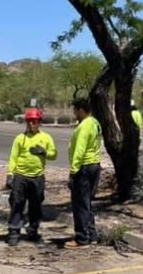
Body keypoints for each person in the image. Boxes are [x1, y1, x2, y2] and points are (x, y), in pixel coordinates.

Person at [5, 107, 57, 246]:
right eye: (29, 121)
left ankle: (33, 230)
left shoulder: (46, 138)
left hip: (37, 177)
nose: (31, 124)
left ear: (39, 122)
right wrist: (10, 174)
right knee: (17, 203)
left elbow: (54, 154)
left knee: (35, 205)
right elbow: (13, 157)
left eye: (34, 121)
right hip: (21, 176)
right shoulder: (20, 139)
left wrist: (44, 152)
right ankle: (14, 231)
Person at [65, 97, 102, 248]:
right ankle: (91, 234)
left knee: (79, 203)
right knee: (87, 202)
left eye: (75, 110)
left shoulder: (85, 126)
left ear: (81, 109)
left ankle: (81, 238)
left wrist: (73, 172)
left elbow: (80, 150)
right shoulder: (95, 123)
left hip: (84, 168)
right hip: (94, 165)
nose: (74, 112)